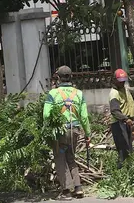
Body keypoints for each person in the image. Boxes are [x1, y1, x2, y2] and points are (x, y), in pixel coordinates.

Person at [43, 65, 91, 200]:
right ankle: (78, 187)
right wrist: (87, 134)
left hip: (60, 132)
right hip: (74, 130)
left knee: (60, 158)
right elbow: (85, 117)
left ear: (58, 78)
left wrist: (46, 131)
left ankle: (66, 189)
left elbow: (46, 115)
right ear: (71, 77)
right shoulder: (79, 94)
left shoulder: (53, 94)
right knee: (71, 157)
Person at [109, 69, 134, 168]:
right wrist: (125, 119)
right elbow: (114, 111)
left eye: (123, 81)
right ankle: (121, 171)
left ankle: (128, 170)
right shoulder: (114, 93)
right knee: (123, 150)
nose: (122, 82)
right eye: (120, 81)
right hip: (119, 124)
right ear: (114, 80)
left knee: (129, 149)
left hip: (126, 123)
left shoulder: (125, 90)